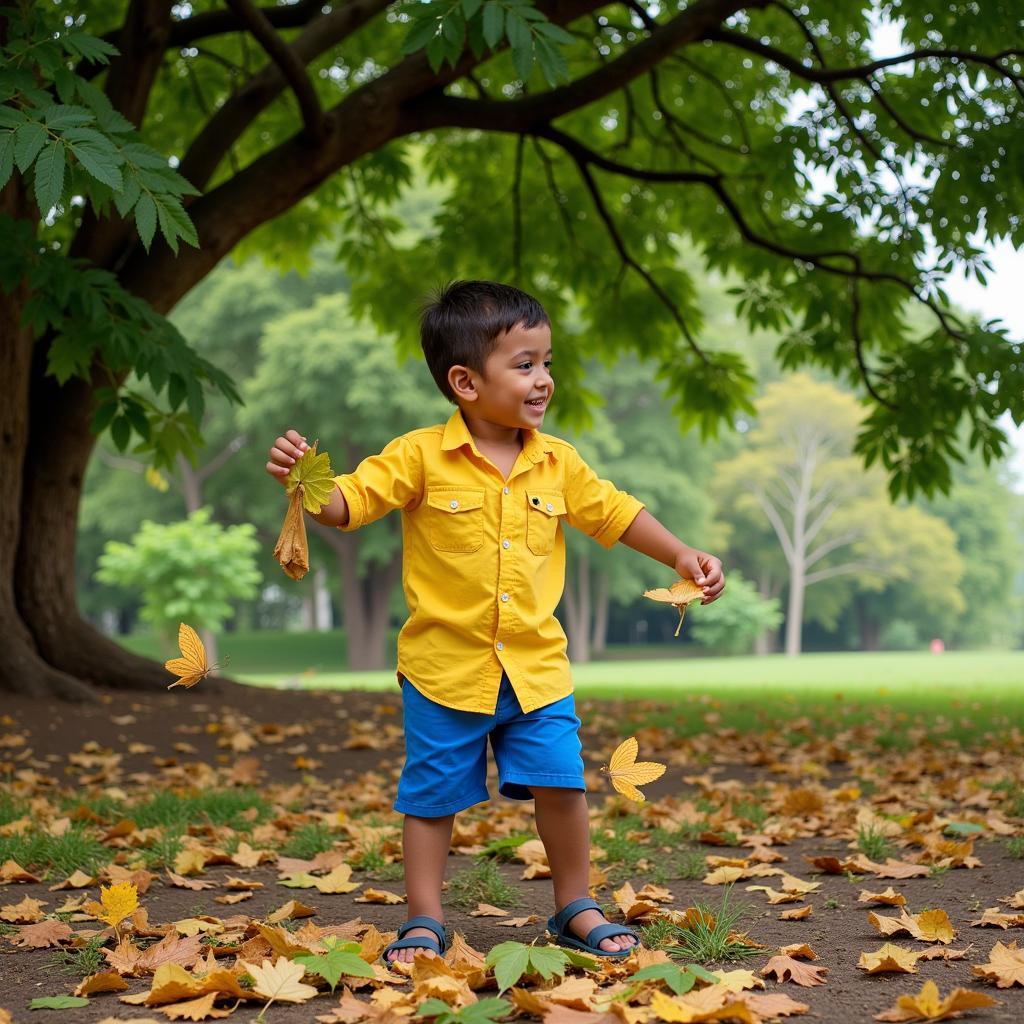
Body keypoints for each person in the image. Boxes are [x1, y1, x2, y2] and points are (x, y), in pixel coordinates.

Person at [266, 280, 725, 965]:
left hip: (538, 668)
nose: (543, 379)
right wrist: (307, 482)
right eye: (524, 364)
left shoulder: (558, 460)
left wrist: (681, 552)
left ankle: (576, 906)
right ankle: (425, 919)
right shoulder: (420, 455)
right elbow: (352, 504)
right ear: (465, 381)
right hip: (443, 670)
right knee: (429, 795)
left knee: (563, 782)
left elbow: (615, 512)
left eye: (546, 363)